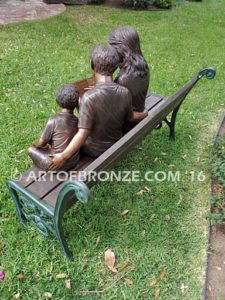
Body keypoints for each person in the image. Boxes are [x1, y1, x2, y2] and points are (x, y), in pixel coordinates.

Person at [49, 44, 148, 170]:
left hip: (93, 150)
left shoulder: (89, 98)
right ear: (117, 65)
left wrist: (63, 156)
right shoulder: (124, 92)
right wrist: (145, 114)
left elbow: (83, 132)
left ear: (92, 64)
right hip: (115, 143)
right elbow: (131, 117)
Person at [28, 84, 80, 171]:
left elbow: (41, 143)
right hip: (73, 162)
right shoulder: (78, 121)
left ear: (57, 101)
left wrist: (34, 144)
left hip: (56, 164)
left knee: (30, 150)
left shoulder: (54, 120)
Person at [108, 26, 150, 113]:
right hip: (139, 109)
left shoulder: (123, 80)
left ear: (121, 49)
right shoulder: (142, 65)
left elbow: (113, 107)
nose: (111, 52)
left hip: (129, 122)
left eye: (113, 48)